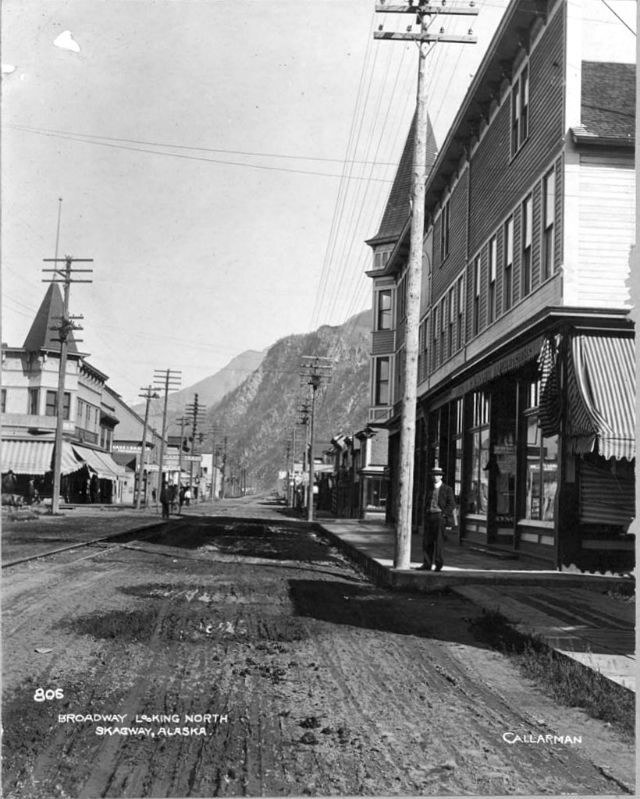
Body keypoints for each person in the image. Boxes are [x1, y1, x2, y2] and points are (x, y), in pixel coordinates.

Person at [417, 465, 455, 572]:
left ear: (441, 477)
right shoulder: (429, 489)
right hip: (429, 516)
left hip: (439, 517)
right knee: (427, 541)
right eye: (434, 475)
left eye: (437, 475)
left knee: (439, 542)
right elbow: (425, 502)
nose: (435, 477)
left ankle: (438, 564)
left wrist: (444, 514)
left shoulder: (447, 489)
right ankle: (427, 564)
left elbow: (451, 504)